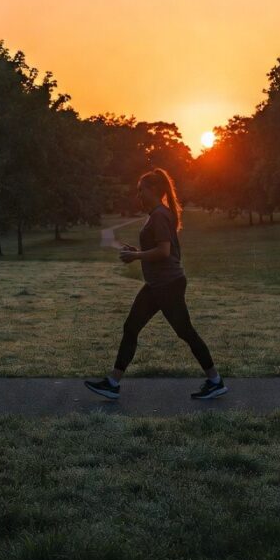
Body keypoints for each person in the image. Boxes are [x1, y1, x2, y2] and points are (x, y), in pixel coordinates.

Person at [84, 167, 228, 401]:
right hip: (158, 285)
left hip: (167, 285)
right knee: (132, 327)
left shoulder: (160, 215)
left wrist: (137, 256)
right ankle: (112, 383)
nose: (138, 195)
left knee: (185, 332)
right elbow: (159, 249)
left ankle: (215, 381)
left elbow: (164, 251)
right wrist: (137, 252)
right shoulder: (158, 214)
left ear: (153, 190)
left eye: (141, 191)